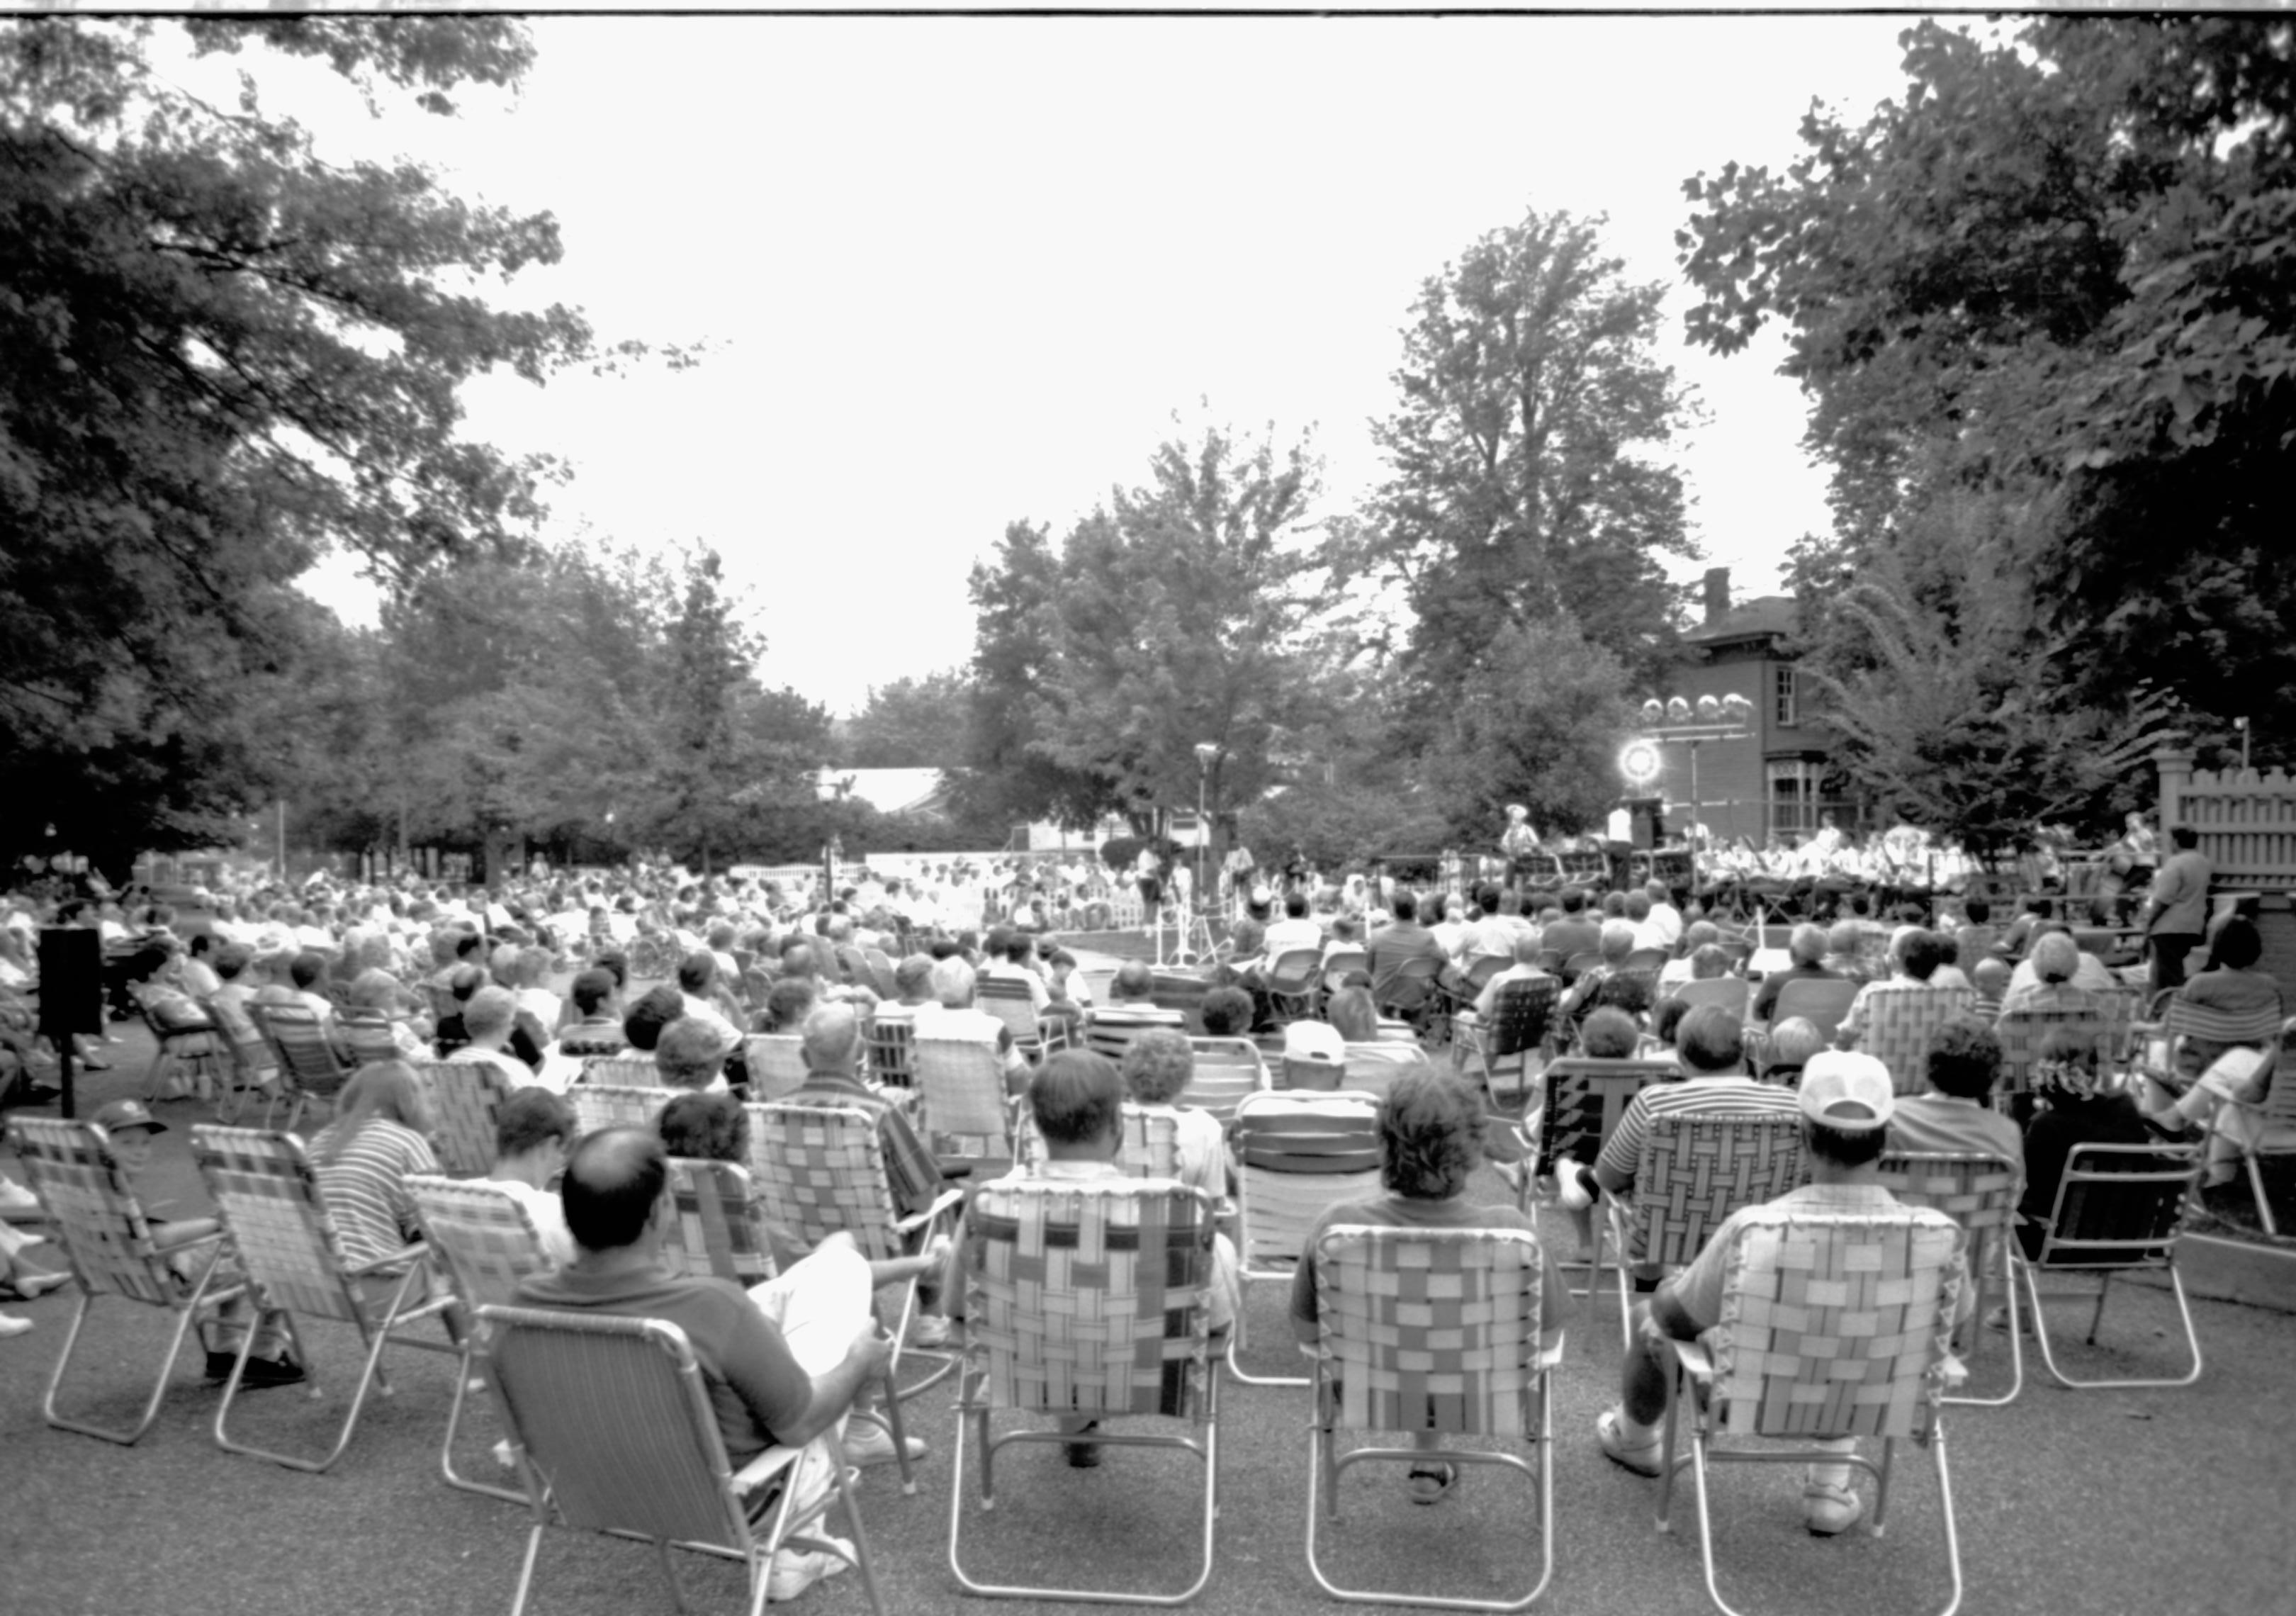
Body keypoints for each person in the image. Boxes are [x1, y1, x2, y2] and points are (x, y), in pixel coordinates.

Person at [514, 1128, 896, 1600]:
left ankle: (819, 1273)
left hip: (591, 1489)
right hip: (738, 1499)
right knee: (845, 1271)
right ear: (659, 1211)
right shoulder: (708, 1309)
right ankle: (796, 1554)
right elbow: (802, 1424)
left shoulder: (520, 1309)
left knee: (818, 1275)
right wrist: (861, 1362)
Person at [1594, 1050, 1966, 1536]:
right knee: (1861, 1329)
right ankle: (1831, 1485)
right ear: (1888, 1140)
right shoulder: (1939, 1236)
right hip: (1883, 1398)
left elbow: (1672, 1322)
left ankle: (1636, 1440)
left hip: (1755, 1399)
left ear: (1802, 1135)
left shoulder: (1756, 1231)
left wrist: (1669, 1290)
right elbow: (1951, 1329)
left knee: (1653, 1315)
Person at [940, 1050, 1240, 1468]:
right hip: (1146, 1375)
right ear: (1118, 1129)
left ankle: (1076, 1421)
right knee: (1213, 1258)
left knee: (1060, 1302)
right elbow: (1217, 1327)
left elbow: (958, 1313)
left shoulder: (991, 1203)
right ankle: (1080, 1418)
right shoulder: (1176, 1214)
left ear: (1037, 1126)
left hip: (1025, 1370)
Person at [1290, 1067, 1568, 1504]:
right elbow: (1546, 1338)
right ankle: (1429, 1454)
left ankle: (1426, 1453)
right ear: (1473, 1149)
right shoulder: (1513, 1236)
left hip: (1375, 1388)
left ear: (1383, 1143)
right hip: (1482, 1389)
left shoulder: (1338, 1230)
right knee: (1441, 1339)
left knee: (1416, 1338)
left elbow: (1308, 1333)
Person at [2018, 1028, 2171, 1258]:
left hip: (2061, 1246)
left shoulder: (2047, 1127)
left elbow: (2035, 1197)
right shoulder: (2125, 1110)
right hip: (2128, 1245)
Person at [308, 1061, 439, 1276]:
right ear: (411, 1101)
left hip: (317, 1284)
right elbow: (432, 1227)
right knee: (453, 1270)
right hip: (373, 1280)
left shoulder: (319, 1142)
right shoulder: (408, 1142)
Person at [1888, 1019, 2024, 1174]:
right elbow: (2013, 1194)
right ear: (1994, 1074)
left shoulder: (1892, 1118)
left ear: (1930, 1064)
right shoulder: (2007, 1133)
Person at [1117, 1028, 1228, 1202]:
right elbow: (1213, 1203)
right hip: (1184, 1226)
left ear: (1125, 1075)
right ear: (1187, 1080)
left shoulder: (1107, 1123)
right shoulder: (1205, 1129)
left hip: (1117, 1225)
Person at [485, 1089, 578, 1266]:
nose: (560, 1162)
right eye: (562, 1151)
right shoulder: (552, 1212)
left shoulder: (453, 1198)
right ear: (549, 1146)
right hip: (550, 1292)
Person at [2140, 825, 2213, 995]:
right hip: (2194, 925)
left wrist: (2148, 924)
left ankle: (2172, 1008)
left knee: (2167, 977)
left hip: (2169, 927)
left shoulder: (2176, 863)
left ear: (2176, 842)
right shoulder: (2204, 863)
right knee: (2180, 969)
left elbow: (2163, 899)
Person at [1750, 923, 1839, 1023]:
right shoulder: (1840, 980)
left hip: (1785, 1036)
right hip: (1829, 1036)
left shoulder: (1776, 981)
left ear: (1792, 952)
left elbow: (1758, 1015)